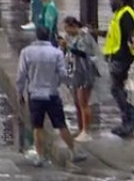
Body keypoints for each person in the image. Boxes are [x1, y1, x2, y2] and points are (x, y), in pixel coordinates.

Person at [18, 26, 85, 166]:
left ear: (36, 36)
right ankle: (73, 151)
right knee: (61, 124)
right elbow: (62, 74)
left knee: (37, 126)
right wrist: (62, 83)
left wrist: (20, 92)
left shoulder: (26, 52)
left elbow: (21, 75)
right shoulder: (56, 53)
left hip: (35, 94)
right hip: (52, 94)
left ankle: (40, 156)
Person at [108, 0, 134, 139]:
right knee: (119, 90)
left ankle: (128, 122)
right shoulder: (119, 14)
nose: (111, 2)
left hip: (124, 58)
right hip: (118, 57)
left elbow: (131, 36)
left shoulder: (126, 14)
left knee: (118, 89)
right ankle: (126, 121)